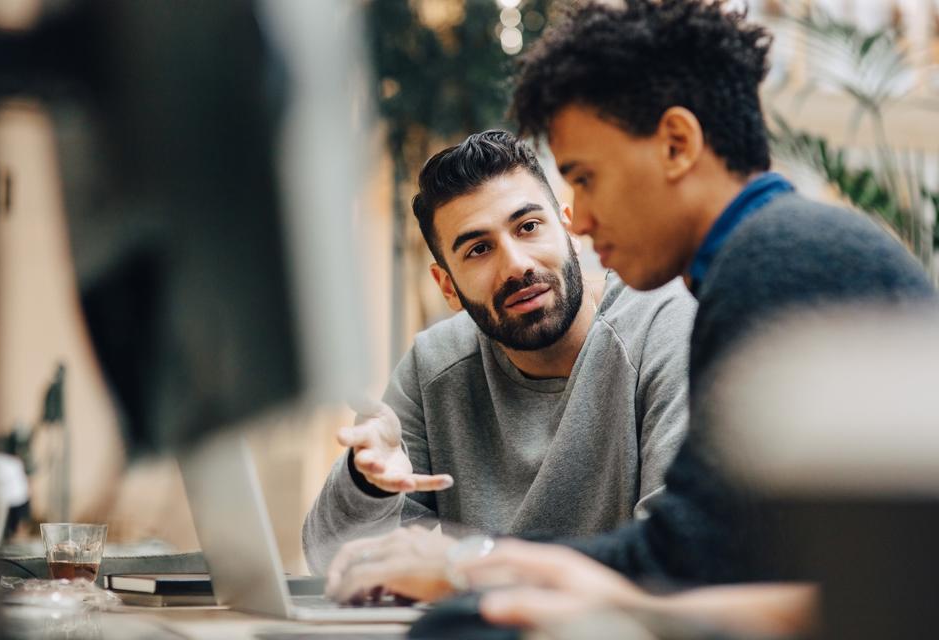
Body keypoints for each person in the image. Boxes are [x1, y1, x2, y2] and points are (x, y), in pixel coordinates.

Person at [324, 0, 936, 634]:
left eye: (585, 179)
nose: (580, 221)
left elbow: (686, 560)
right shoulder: (771, 251)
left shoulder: (777, 262)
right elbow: (719, 557)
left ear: (676, 144)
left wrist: (468, 563)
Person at [302, 130, 696, 573]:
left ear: (567, 229)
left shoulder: (664, 327)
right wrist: (367, 485)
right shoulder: (434, 365)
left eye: (528, 227)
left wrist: (467, 569)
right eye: (479, 249)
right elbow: (329, 563)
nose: (516, 265)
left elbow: (676, 555)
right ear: (447, 285)